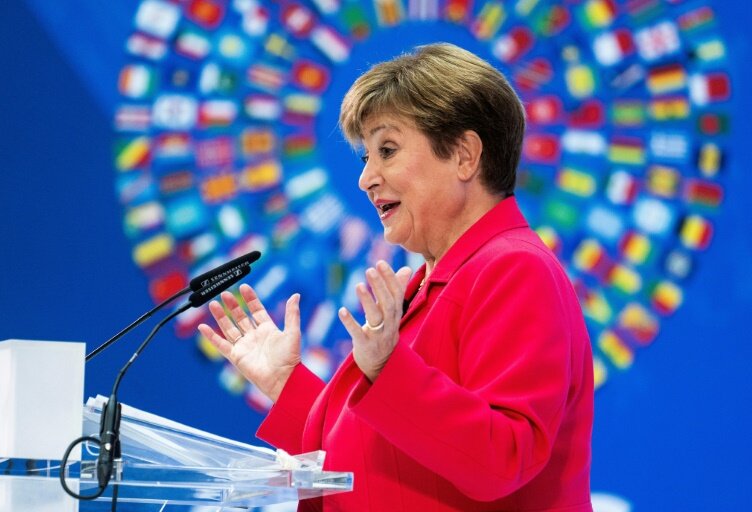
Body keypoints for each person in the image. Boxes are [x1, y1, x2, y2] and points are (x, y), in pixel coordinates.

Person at [198, 43, 593, 511]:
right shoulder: (426, 284)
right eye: (366, 156)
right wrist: (288, 385)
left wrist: (389, 370)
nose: (366, 178)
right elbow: (385, 457)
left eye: (387, 150)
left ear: (465, 155)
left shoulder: (514, 269)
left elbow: (502, 458)